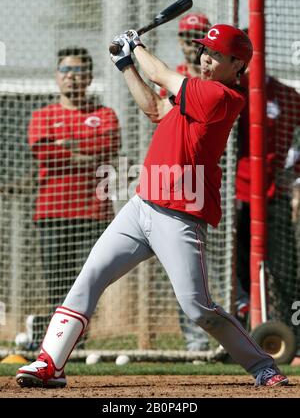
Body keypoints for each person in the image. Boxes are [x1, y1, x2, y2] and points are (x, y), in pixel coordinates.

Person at [16, 24, 288, 388]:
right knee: (89, 278)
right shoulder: (192, 94)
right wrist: (126, 64)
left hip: (180, 214)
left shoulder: (222, 96)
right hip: (142, 204)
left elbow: (160, 74)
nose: (205, 59)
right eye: (204, 52)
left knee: (198, 308)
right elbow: (156, 107)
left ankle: (263, 367)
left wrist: (136, 44)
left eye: (216, 55)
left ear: (237, 64)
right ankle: (50, 364)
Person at [25, 47, 120, 349]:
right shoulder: (43, 115)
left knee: (88, 284)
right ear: (57, 76)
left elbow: (108, 144)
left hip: (93, 214)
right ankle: (56, 346)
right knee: (57, 285)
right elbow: (43, 151)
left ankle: (77, 343)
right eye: (66, 71)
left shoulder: (104, 114)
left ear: (89, 77)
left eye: (79, 72)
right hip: (51, 214)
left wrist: (67, 144)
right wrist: (82, 154)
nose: (72, 78)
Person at [160, 12, 211, 352]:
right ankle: (195, 344)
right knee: (184, 273)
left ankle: (235, 338)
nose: (191, 42)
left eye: (199, 35)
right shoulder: (174, 77)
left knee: (216, 270)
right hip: (175, 183)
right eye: (187, 35)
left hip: (209, 183)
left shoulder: (216, 82)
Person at [235, 70, 300, 335]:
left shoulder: (287, 95)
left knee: (286, 271)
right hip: (237, 199)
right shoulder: (233, 90)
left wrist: (295, 178)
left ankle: (292, 333)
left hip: (275, 196)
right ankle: (235, 333)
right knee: (236, 269)